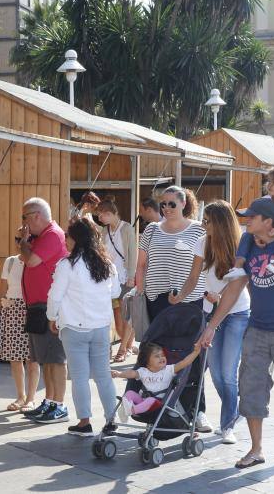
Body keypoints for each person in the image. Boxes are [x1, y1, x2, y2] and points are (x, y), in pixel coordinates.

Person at [198, 198, 274, 469]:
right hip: (256, 328)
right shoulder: (249, 247)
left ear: (268, 221)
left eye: (252, 217)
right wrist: (212, 325)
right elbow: (234, 289)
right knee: (251, 389)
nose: (246, 221)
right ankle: (256, 449)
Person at [169, 201, 250, 444]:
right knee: (215, 373)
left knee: (227, 373)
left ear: (221, 223)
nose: (204, 225)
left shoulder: (240, 244)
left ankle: (228, 425)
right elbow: (193, 277)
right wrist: (180, 297)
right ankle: (235, 409)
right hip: (210, 313)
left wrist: (220, 296)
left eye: (207, 221)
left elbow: (240, 281)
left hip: (237, 313)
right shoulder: (202, 242)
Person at [135, 185, 212, 432]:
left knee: (193, 355)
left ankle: (198, 411)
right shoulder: (151, 229)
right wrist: (139, 289)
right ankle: (159, 409)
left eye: (172, 204)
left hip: (191, 301)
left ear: (184, 204)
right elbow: (141, 264)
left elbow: (207, 266)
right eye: (163, 204)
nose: (166, 208)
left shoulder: (199, 230)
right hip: (157, 299)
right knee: (159, 355)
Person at [47, 218, 120, 436]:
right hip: (101, 327)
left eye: (68, 236)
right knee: (103, 376)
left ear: (76, 239)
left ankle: (84, 423)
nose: (66, 240)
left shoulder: (67, 265)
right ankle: (111, 419)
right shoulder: (107, 264)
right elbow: (115, 292)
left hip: (74, 327)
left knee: (79, 377)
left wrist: (52, 317)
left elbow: (55, 296)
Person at [19, 198, 70, 423]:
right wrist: (26, 242)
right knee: (46, 359)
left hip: (50, 308)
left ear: (36, 216)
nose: (24, 223)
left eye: (25, 217)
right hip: (39, 307)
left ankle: (59, 405)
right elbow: (26, 258)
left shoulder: (52, 235)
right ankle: (50, 402)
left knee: (56, 359)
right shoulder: (42, 236)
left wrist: (23, 241)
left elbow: (30, 260)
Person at [0, 239, 39, 412]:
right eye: (18, 239)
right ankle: (20, 396)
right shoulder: (10, 261)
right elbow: (1, 291)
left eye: (25, 239)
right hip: (12, 310)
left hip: (33, 309)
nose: (20, 243)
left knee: (33, 359)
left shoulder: (37, 261)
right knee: (15, 358)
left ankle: (31, 399)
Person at [113, 341, 202, 422]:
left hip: (159, 403)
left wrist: (196, 352)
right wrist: (119, 374)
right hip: (143, 401)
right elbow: (131, 373)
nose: (161, 357)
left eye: (162, 355)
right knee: (129, 393)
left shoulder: (169, 370)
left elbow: (185, 362)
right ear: (147, 361)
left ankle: (131, 410)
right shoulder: (143, 371)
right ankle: (125, 408)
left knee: (151, 400)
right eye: (157, 356)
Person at [96, 196, 138, 362]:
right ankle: (128, 346)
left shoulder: (126, 228)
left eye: (101, 215)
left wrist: (131, 276)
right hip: (109, 279)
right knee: (117, 317)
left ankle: (122, 348)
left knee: (127, 314)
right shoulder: (104, 231)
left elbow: (132, 253)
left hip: (125, 276)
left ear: (110, 213)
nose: (100, 218)